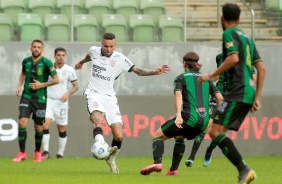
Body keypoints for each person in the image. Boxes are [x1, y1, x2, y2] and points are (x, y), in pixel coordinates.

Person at [74, 32, 170, 173]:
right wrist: (81, 62)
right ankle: (100, 143)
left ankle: (111, 159)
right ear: (102, 44)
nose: (108, 49)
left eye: (111, 46)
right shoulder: (94, 50)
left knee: (119, 136)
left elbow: (138, 71)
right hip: (93, 93)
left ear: (115, 45)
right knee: (96, 118)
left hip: (110, 97)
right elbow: (89, 56)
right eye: (106, 46)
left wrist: (155, 72)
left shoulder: (120, 59)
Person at [198, 3, 265, 184]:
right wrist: (256, 97)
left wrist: (212, 75)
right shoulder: (248, 39)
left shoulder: (228, 33)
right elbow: (261, 68)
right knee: (218, 131)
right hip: (247, 92)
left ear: (221, 18)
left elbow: (233, 57)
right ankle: (243, 170)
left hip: (237, 91)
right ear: (240, 19)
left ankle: (244, 170)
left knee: (214, 131)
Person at [140, 51, 223, 176]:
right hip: (204, 122)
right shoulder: (207, 79)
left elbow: (178, 95)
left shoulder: (181, 78)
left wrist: (178, 115)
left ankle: (157, 162)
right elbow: (220, 98)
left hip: (189, 118)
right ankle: (173, 170)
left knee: (158, 136)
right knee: (179, 137)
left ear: (184, 63)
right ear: (197, 64)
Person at [13, 40, 59, 162]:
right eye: (34, 47)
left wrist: (41, 85)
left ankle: (37, 152)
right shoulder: (26, 61)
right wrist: (19, 86)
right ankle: (22, 153)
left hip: (40, 99)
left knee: (38, 127)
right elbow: (23, 74)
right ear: (31, 48)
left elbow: (56, 80)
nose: (36, 49)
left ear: (42, 49)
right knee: (22, 122)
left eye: (39, 47)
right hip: (26, 96)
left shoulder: (47, 63)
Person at [184, 53, 223, 168]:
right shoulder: (220, 57)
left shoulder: (245, 61)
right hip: (218, 97)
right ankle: (191, 157)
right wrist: (206, 80)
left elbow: (252, 79)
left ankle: (209, 150)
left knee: (219, 131)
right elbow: (217, 76)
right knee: (207, 125)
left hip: (233, 99)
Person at [41, 47, 79, 160]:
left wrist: (68, 93)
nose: (60, 57)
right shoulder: (48, 68)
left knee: (61, 128)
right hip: (48, 100)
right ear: (55, 56)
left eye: (63, 55)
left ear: (65, 57)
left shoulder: (69, 70)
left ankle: (60, 154)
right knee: (45, 124)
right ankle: (46, 152)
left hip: (62, 102)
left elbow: (76, 86)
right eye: (58, 55)